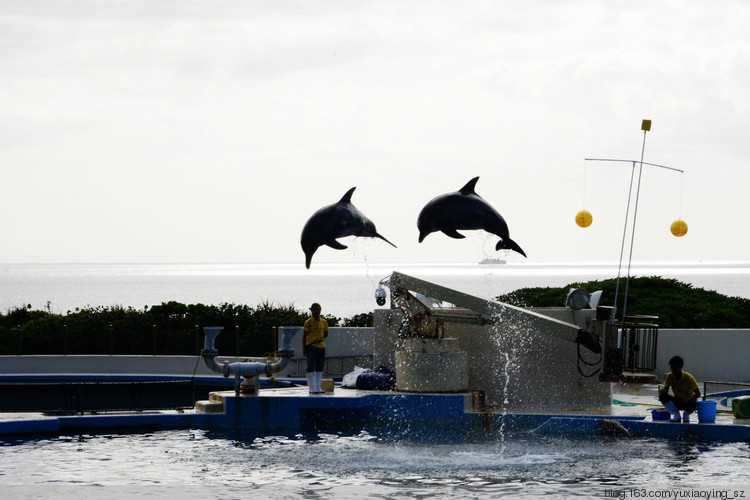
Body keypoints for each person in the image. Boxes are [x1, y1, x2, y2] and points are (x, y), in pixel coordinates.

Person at [658, 355, 700, 422]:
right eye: (671, 368)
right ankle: (676, 415)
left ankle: (686, 415)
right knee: (662, 397)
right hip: (678, 401)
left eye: (675, 368)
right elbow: (666, 389)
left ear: (680, 367)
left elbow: (698, 394)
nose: (673, 370)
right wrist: (663, 390)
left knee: (693, 404)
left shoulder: (689, 378)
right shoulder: (669, 376)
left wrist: (687, 399)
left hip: (688, 402)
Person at [302, 302, 328, 395]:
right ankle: (312, 387)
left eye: (319, 309)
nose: (317, 311)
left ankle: (318, 387)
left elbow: (326, 333)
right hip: (311, 346)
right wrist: (304, 348)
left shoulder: (324, 321)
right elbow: (304, 336)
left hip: (321, 346)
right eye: (315, 309)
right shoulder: (308, 322)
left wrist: (320, 338)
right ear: (312, 310)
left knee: (319, 366)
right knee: (310, 366)